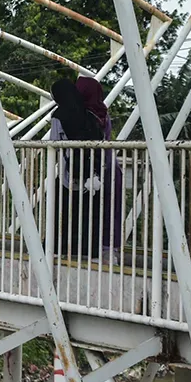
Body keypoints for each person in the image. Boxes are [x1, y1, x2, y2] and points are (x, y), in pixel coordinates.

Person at [49, 79, 104, 257]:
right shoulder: (89, 114)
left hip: (68, 171)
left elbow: (55, 143)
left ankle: (59, 246)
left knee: (62, 210)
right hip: (90, 173)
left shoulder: (59, 115)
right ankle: (89, 249)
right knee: (87, 212)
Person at [75, 76, 124, 254]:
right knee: (111, 210)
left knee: (93, 210)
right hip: (111, 166)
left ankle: (94, 249)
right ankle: (111, 249)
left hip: (95, 170)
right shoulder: (103, 113)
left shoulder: (85, 115)